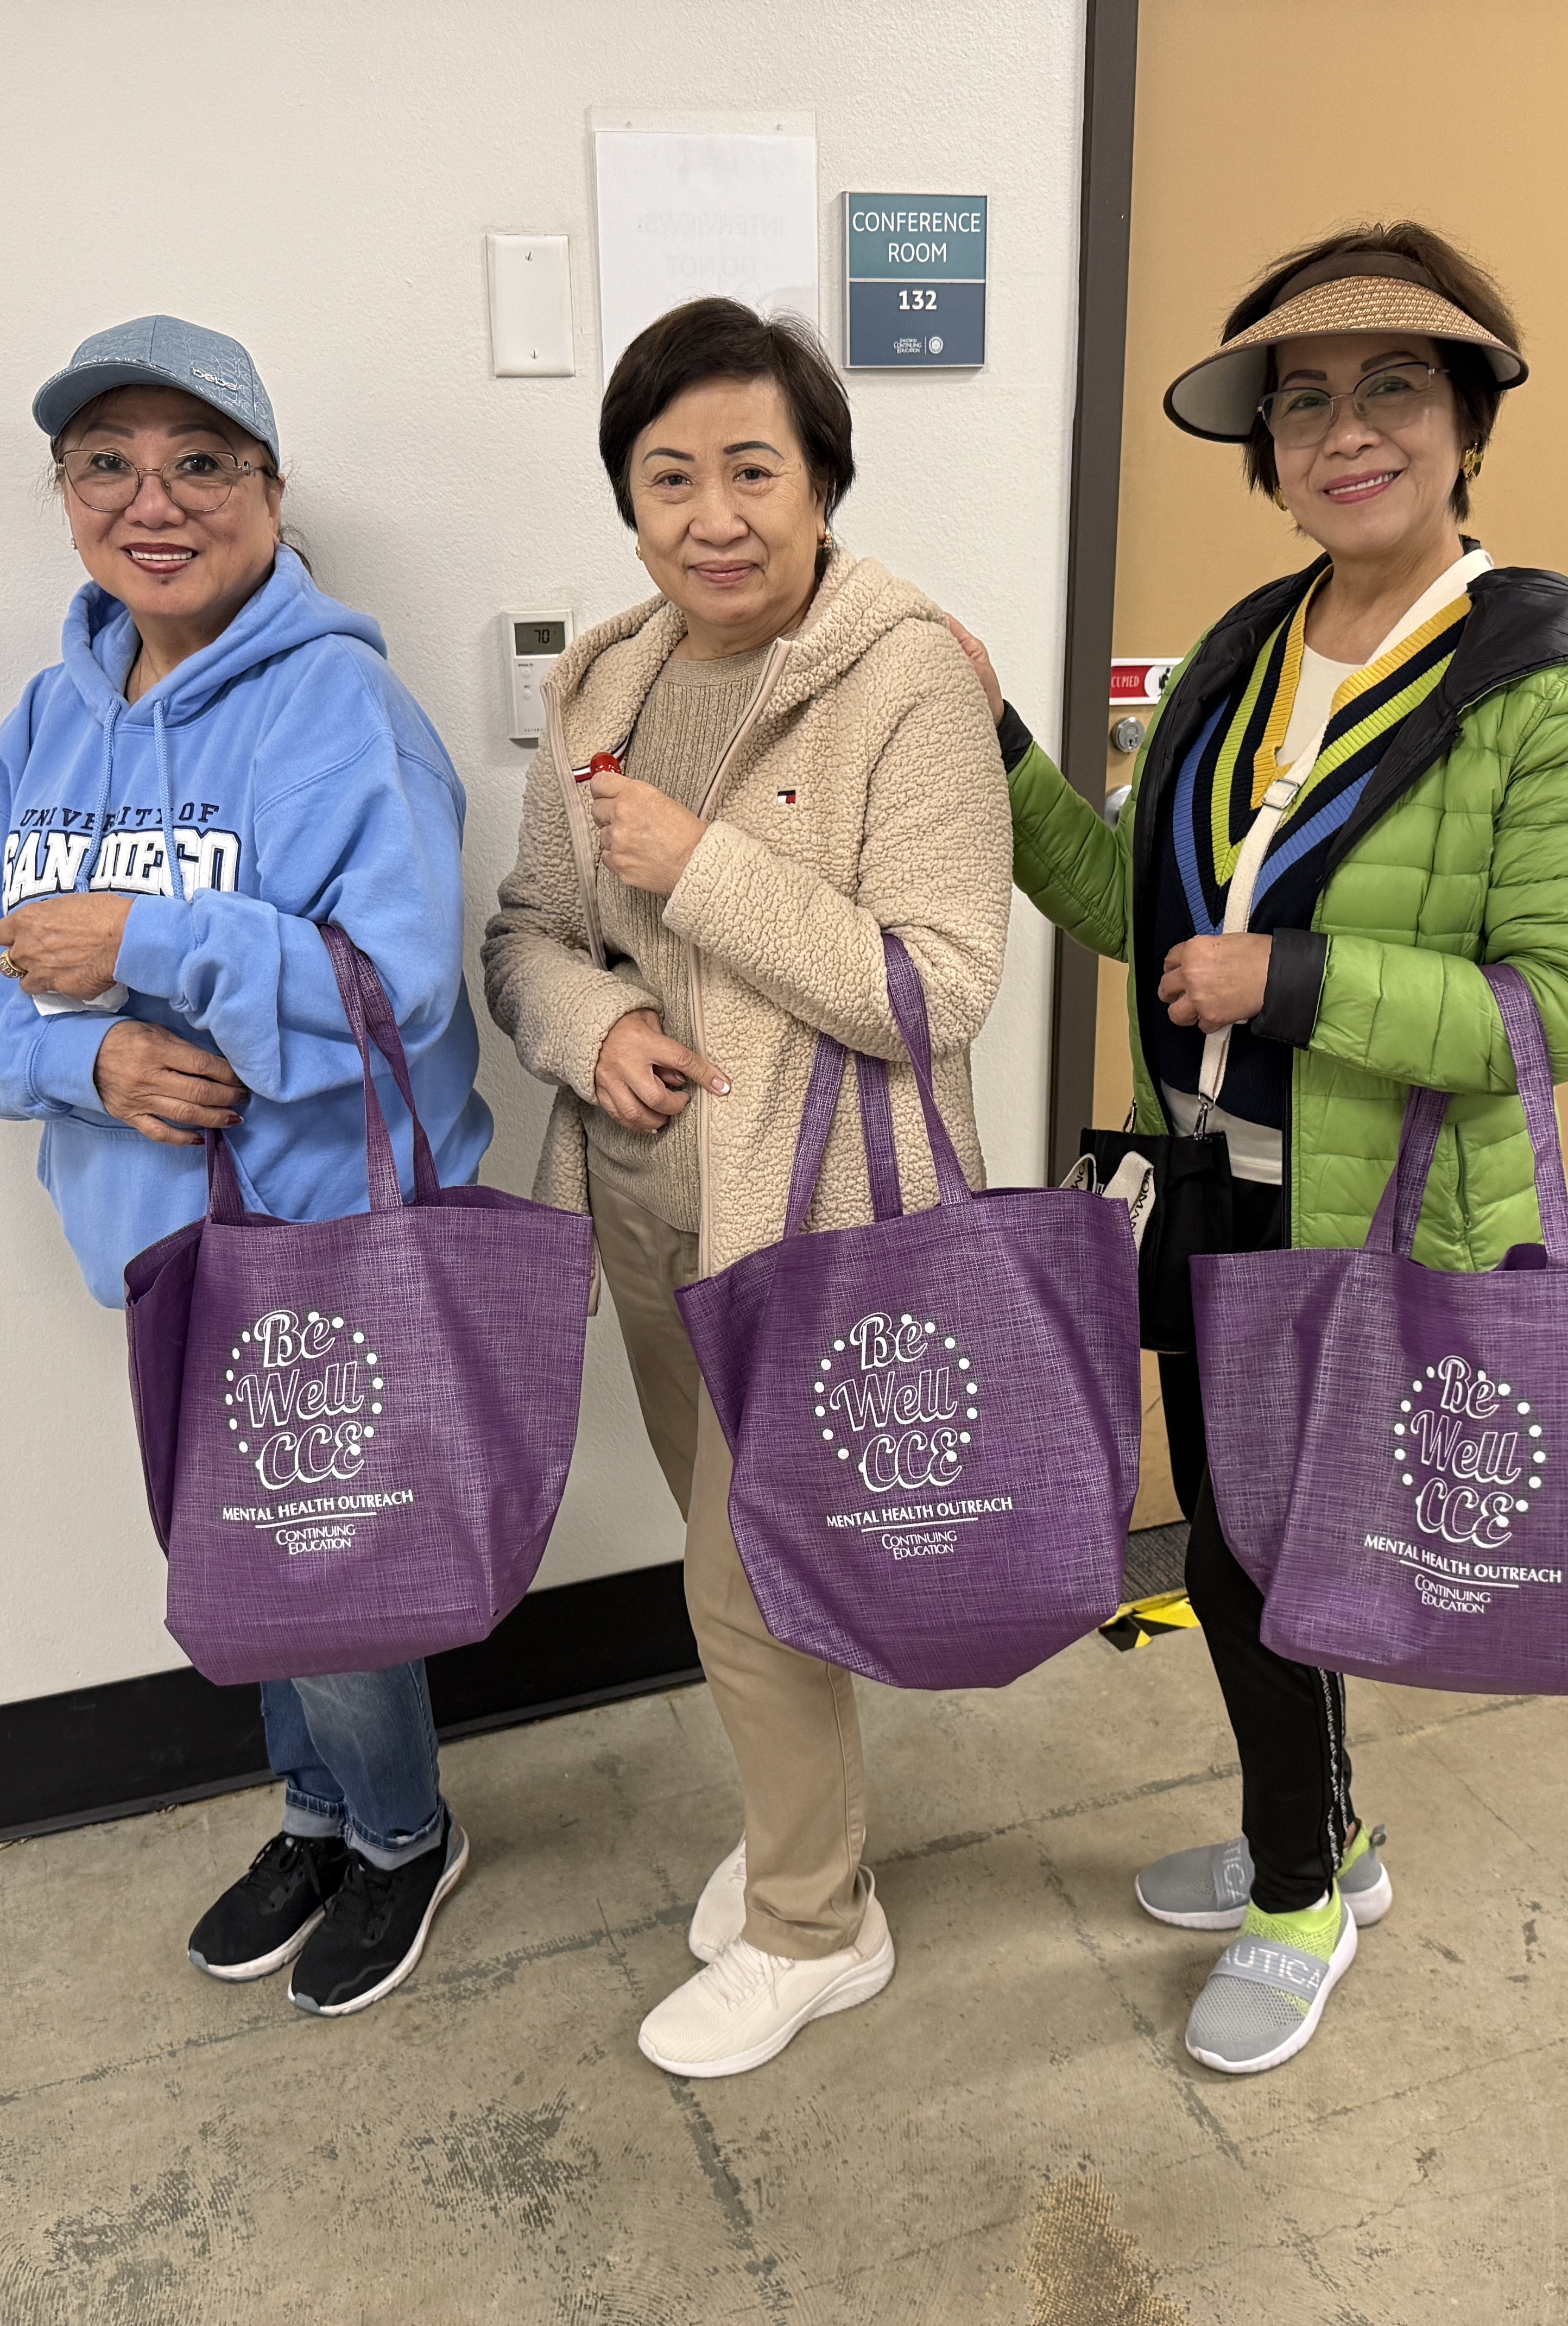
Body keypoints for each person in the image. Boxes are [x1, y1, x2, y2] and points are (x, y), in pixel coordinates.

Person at [953, 225, 1568, 2075]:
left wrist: (1299, 979)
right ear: (1267, 449)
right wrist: (1002, 744)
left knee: (1269, 1560)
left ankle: (1299, 1894)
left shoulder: (1550, 674)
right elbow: (1133, 902)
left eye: (1394, 387)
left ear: (1470, 418)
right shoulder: (1249, 651)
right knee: (1254, 1541)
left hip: (1375, 1209)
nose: (1348, 432)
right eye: (1306, 400)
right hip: (1208, 1192)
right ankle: (1320, 1831)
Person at [0, 315, 496, 2019]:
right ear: (67, 497)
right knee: (242, 1553)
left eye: (200, 462)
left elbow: (395, 988)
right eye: (108, 463)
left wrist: (149, 937)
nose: (152, 499)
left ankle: (398, 1834)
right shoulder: (47, 719)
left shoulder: (342, 707)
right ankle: (315, 1811)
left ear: (271, 489)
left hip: (318, 1239)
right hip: (153, 1242)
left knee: (333, 1572)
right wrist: (81, 1053)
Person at [481, 298, 1010, 2080]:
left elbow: (936, 984)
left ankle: (814, 1919)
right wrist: (597, 1020)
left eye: (752, 471)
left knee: (748, 1579)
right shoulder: (608, 679)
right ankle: (805, 1843)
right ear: (630, 502)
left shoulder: (910, 670)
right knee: (748, 1564)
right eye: (669, 475)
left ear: (823, 483)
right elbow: (532, 933)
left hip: (825, 1217)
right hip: (643, 1201)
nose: (714, 514)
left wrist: (703, 867)